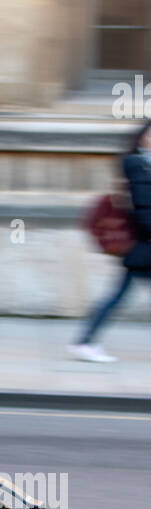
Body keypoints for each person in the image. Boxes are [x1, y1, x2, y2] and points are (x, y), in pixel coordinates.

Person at [69, 120, 151, 361]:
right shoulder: (138, 164)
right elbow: (143, 207)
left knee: (117, 296)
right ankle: (85, 342)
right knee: (116, 296)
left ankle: (85, 342)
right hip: (143, 246)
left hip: (142, 247)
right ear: (142, 137)